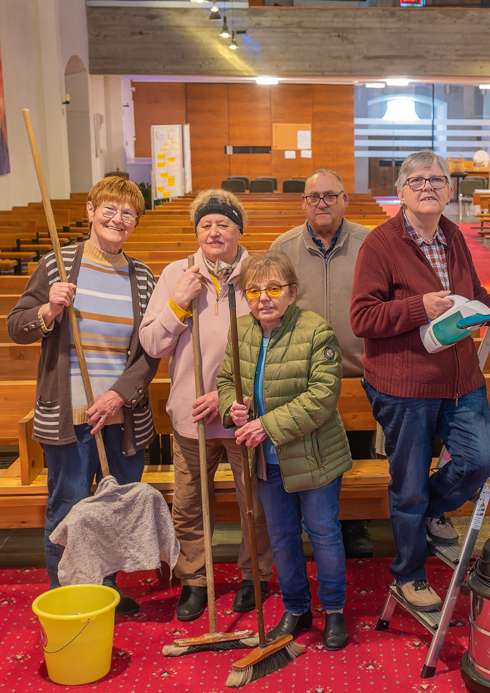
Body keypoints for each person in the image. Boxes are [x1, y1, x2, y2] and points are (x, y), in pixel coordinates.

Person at [350, 149, 490, 611]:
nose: (428, 187)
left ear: (449, 189)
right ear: (401, 191)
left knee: (483, 459)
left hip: (461, 379)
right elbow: (362, 318)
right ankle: (408, 574)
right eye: (417, 180)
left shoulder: (453, 235)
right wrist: (420, 307)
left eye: (437, 180)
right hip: (405, 386)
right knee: (409, 484)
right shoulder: (381, 244)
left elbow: (476, 300)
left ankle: (431, 512)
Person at [7, 177, 159, 615]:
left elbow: (149, 353)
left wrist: (117, 395)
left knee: (114, 507)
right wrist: (48, 310)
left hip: (121, 413)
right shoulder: (58, 265)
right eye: (109, 209)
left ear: (135, 222)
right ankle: (68, 596)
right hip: (68, 415)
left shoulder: (142, 277)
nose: (117, 219)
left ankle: (106, 591)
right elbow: (16, 327)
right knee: (69, 507)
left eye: (128, 213)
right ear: (90, 211)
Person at [139, 190, 274, 622]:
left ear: (239, 230)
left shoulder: (260, 274)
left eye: (223, 224)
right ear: (197, 231)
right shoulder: (177, 273)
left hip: (242, 414)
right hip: (190, 416)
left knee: (254, 502)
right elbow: (154, 344)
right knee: (191, 504)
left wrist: (229, 395)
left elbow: (276, 343)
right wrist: (180, 300)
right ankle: (196, 579)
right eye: (205, 225)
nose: (214, 232)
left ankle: (255, 575)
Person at [218, 251, 352, 650]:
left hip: (314, 455)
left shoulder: (316, 331)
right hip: (266, 460)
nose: (264, 298)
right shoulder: (240, 331)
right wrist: (232, 406)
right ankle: (296, 608)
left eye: (274, 288)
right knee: (280, 537)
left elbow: (322, 397)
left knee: (324, 534)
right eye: (254, 290)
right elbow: (228, 378)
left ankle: (334, 611)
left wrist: (266, 425)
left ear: (291, 293)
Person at [271, 168, 374, 558]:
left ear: (345, 200)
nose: (323, 203)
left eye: (331, 195)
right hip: (306, 372)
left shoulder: (369, 243)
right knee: (313, 450)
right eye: (314, 197)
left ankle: (355, 522)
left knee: (359, 448)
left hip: (360, 367)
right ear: (303, 203)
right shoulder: (284, 247)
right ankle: (314, 522)